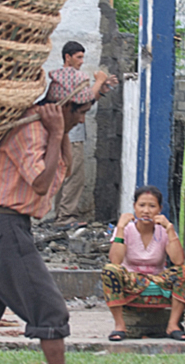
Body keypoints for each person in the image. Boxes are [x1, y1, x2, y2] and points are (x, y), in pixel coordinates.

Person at [0, 67, 95, 364]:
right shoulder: (31, 130)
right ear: (64, 107)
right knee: (51, 312)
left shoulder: (44, 127)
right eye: (80, 112)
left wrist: (60, 132)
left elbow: (63, 167)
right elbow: (42, 184)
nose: (82, 119)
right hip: (6, 229)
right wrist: (57, 132)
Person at [101, 185, 185, 342]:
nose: (146, 211)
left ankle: (173, 325)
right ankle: (120, 326)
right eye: (142, 205)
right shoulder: (127, 229)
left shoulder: (164, 230)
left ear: (159, 209)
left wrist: (170, 229)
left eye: (152, 206)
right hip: (131, 280)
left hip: (158, 280)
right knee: (110, 270)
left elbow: (178, 261)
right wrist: (120, 227)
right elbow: (115, 261)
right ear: (134, 207)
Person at [53, 41, 118, 228]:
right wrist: (98, 81)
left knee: (65, 176)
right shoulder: (68, 76)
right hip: (71, 137)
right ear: (68, 57)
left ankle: (61, 215)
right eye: (78, 57)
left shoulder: (67, 77)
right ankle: (65, 217)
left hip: (69, 135)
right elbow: (81, 101)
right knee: (75, 177)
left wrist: (101, 90)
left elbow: (86, 104)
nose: (82, 61)